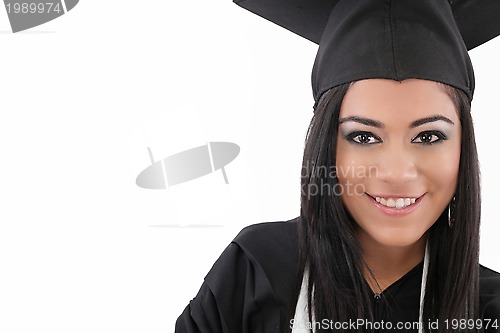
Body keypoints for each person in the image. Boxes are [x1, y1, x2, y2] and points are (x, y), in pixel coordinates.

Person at [176, 0, 500, 332]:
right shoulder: (255, 272)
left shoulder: (490, 311)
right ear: (327, 145)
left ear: (464, 145)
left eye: (429, 137)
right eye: (363, 137)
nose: (397, 172)